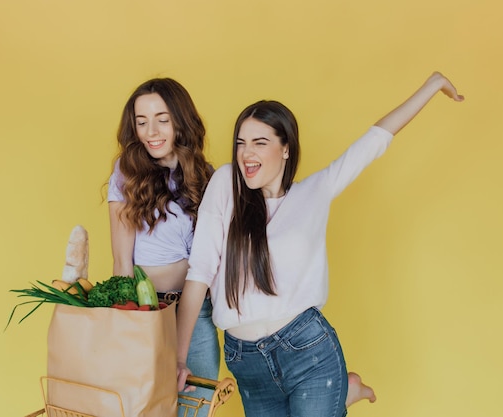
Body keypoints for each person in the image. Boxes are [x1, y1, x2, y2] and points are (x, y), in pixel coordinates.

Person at [176, 72, 464, 416]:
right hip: (246, 360)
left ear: (286, 149)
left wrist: (432, 85)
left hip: (307, 348)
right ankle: (343, 395)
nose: (246, 153)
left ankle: (337, 394)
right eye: (241, 142)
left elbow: (375, 140)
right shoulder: (226, 184)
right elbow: (200, 272)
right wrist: (178, 358)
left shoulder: (315, 192)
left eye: (260, 142)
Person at [107, 78, 220, 413]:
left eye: (162, 119)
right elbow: (121, 262)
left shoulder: (206, 175)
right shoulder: (127, 173)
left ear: (180, 121)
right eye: (141, 122)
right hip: (147, 310)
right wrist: (130, 325)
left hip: (198, 312)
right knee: (144, 407)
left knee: (195, 407)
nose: (151, 131)